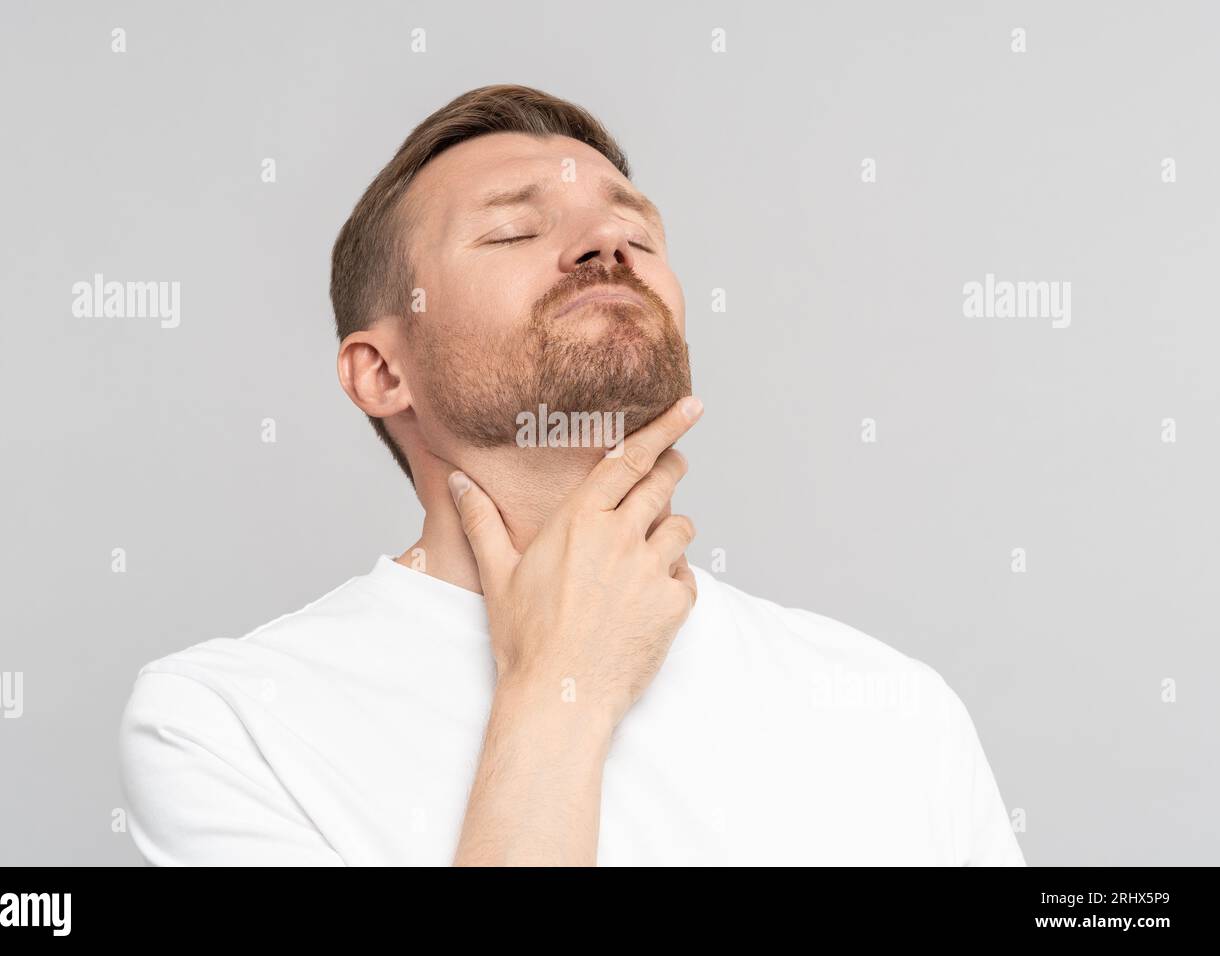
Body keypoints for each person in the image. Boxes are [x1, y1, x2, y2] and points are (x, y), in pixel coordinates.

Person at [118, 84, 1025, 866]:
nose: (605, 245)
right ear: (382, 373)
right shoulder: (230, 723)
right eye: (512, 231)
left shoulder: (892, 705)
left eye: (634, 228)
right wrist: (562, 690)